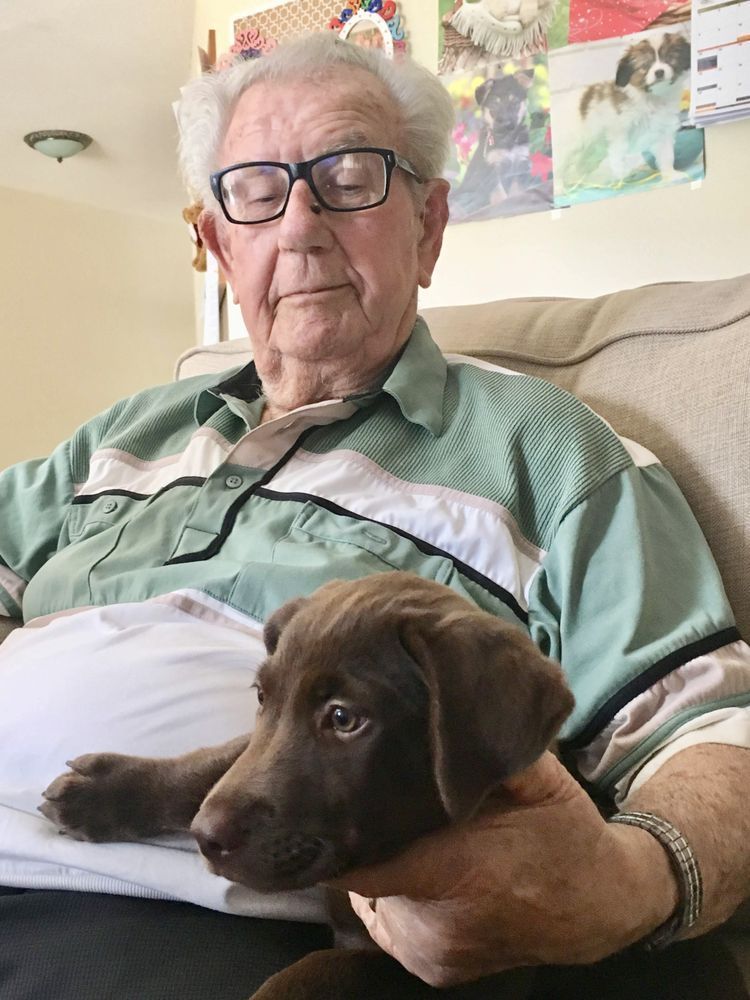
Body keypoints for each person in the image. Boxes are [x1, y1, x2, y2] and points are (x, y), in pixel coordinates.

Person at [1, 32, 749, 1000]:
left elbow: (712, 734)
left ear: (429, 224)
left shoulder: (549, 450)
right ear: (221, 243)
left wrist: (634, 885)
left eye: (348, 177)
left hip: (203, 927)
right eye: (257, 193)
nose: (301, 225)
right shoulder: (123, 435)